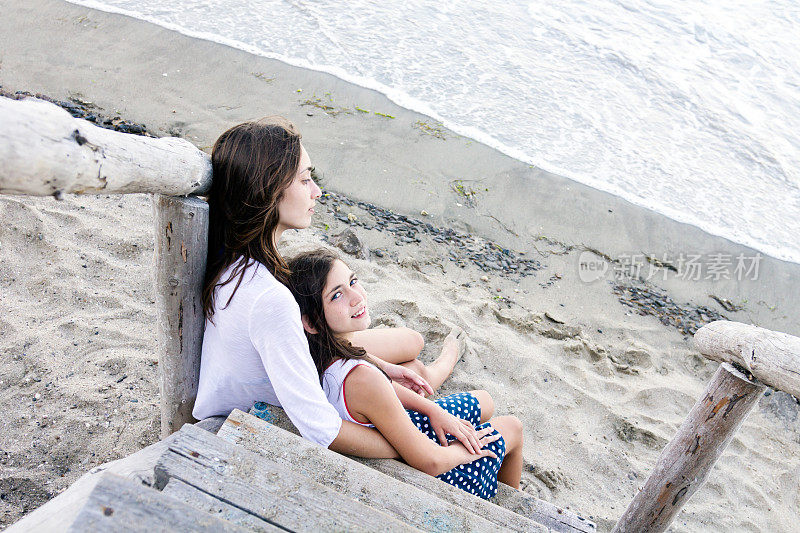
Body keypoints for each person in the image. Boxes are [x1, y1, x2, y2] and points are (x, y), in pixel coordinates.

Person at [192, 117, 476, 458]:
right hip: (250, 423)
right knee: (414, 369)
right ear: (268, 190)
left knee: (410, 346)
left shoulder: (234, 260)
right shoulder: (270, 299)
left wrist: (382, 366)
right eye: (305, 179)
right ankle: (441, 365)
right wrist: (409, 446)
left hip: (284, 370)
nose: (317, 191)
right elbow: (322, 428)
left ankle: (427, 370)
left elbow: (307, 341)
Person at [285, 248, 524, 498]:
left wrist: (433, 409)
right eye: (337, 296)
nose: (356, 297)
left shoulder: (317, 354)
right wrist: (465, 450)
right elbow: (430, 461)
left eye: (353, 281)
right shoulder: (362, 379)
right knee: (513, 427)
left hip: (394, 428)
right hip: (439, 473)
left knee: (484, 401)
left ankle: (493, 474)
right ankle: (509, 498)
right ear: (311, 322)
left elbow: (379, 391)